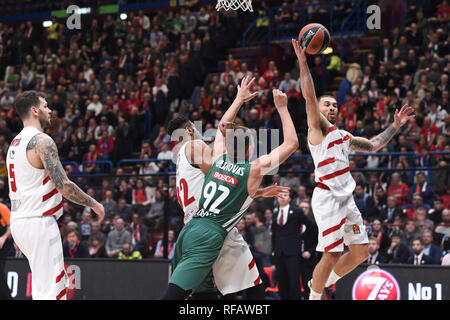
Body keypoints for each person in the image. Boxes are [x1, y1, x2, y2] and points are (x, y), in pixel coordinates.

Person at [292, 39, 415, 300]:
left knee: (361, 253)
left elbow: (373, 145)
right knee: (332, 252)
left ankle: (321, 282)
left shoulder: (344, 136)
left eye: (335, 105)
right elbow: (309, 97)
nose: (332, 108)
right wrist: (304, 64)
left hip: (346, 198)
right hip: (327, 197)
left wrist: (395, 125)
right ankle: (314, 297)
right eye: (328, 105)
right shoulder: (317, 128)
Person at [161, 79, 299, 300]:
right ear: (248, 149)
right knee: (252, 290)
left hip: (193, 226)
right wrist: (282, 108)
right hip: (212, 230)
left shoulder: (215, 160)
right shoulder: (198, 148)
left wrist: (238, 100)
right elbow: (291, 143)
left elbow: (222, 129)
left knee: (207, 295)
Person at [6, 91, 104, 300]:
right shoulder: (42, 141)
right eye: (45, 105)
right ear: (34, 110)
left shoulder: (14, 144)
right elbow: (64, 186)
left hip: (20, 222)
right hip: (38, 222)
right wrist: (94, 204)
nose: (49, 110)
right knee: (54, 291)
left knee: (42, 290)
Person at [272, 191, 317, 300]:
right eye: (280, 195)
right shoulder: (275, 213)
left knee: (293, 281)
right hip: (279, 253)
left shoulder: (296, 211)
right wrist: (273, 252)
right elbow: (274, 235)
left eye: (285, 195)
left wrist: (299, 239)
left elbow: (311, 227)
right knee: (282, 281)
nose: (282, 197)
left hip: (293, 252)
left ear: (289, 199)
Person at [0, 201, 12, 299]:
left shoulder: (2, 208)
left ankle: (7, 297)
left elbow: (11, 226)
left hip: (3, 243)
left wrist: (3, 238)